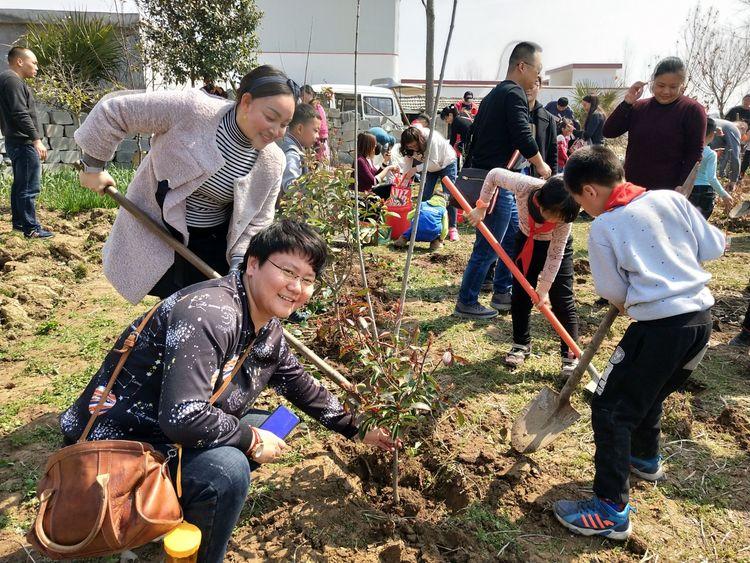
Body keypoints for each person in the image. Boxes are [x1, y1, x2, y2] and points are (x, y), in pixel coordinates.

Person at [59, 220, 398, 563]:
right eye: (288, 272)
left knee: (273, 426)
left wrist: (356, 428)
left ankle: (171, 510)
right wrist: (249, 439)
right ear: (253, 264)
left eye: (308, 280)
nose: (296, 287)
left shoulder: (264, 324)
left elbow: (298, 383)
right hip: (118, 449)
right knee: (229, 468)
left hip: (162, 432)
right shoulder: (210, 314)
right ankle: (186, 541)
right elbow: (183, 417)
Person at [554, 145, 724, 541]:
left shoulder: (605, 226)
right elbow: (715, 246)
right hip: (700, 321)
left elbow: (613, 292)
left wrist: (637, 290)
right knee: (647, 392)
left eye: (579, 200)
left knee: (611, 407)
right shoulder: (668, 198)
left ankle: (609, 510)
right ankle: (644, 458)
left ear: (591, 191)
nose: (582, 209)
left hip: (659, 327)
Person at [76, 65, 297, 304]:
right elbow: (114, 111)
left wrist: (239, 264)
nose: (277, 131)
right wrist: (94, 167)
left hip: (212, 242)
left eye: (285, 124)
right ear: (246, 101)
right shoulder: (192, 111)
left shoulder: (273, 162)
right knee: (170, 302)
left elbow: (258, 221)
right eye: (270, 117)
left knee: (204, 307)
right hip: (159, 226)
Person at [454, 41, 552, 320]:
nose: (538, 77)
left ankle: (501, 292)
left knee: (510, 239)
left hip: (497, 179)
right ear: (522, 66)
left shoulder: (494, 95)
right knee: (489, 243)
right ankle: (467, 300)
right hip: (496, 182)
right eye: (538, 70)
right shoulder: (514, 94)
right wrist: (542, 166)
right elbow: (523, 136)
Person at [468, 170, 580, 375]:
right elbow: (493, 175)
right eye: (554, 216)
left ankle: (570, 354)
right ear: (542, 202)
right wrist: (481, 206)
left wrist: (544, 290)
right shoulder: (524, 185)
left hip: (555, 249)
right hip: (526, 241)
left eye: (561, 219)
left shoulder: (565, 219)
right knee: (520, 295)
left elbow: (555, 257)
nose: (556, 222)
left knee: (562, 299)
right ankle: (521, 344)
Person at [603, 56, 706, 190]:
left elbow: (694, 152)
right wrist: (627, 103)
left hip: (667, 191)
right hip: (632, 188)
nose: (666, 91)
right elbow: (609, 132)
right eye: (661, 85)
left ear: (682, 85)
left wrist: (682, 186)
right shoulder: (639, 107)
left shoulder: (692, 110)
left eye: (673, 87)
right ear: (652, 82)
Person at [0, 46, 51, 239]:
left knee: (21, 185)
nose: (37, 67)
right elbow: (20, 113)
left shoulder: (8, 80)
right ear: (20, 61)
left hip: (16, 141)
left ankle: (20, 224)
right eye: (34, 62)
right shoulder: (12, 81)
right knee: (29, 186)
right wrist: (36, 140)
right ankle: (31, 229)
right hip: (23, 142)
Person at [399, 125, 459, 240]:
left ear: (420, 140)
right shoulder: (409, 147)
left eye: (415, 145)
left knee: (449, 195)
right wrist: (404, 182)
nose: (413, 148)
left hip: (445, 162)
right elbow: (407, 166)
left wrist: (415, 169)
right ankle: (421, 224)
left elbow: (436, 163)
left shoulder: (431, 138)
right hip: (429, 167)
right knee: (425, 194)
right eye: (409, 146)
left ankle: (452, 228)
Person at [690, 118, 733, 219]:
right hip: (705, 192)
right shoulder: (710, 154)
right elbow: (711, 178)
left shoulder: (687, 150)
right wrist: (724, 194)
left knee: (689, 223)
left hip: (688, 189)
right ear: (712, 134)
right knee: (701, 224)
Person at [279, 103, 321, 193]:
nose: (318, 136)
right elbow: (290, 187)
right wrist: (317, 184)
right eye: (315, 130)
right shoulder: (292, 153)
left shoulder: (288, 145)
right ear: (300, 129)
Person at [354, 132, 399, 198]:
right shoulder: (360, 161)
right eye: (374, 145)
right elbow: (374, 181)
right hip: (361, 195)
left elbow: (375, 174)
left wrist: (385, 161)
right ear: (368, 146)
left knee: (392, 186)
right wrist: (388, 168)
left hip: (368, 192)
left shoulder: (367, 159)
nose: (376, 147)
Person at [710, 118, 743, 192]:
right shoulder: (733, 129)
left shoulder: (719, 123)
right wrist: (733, 180)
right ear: (742, 128)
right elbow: (735, 156)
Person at [301, 85, 329, 162]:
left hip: (318, 140)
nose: (302, 97)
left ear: (310, 94)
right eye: (301, 96)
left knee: (314, 163)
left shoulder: (316, 107)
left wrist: (318, 140)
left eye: (303, 95)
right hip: (314, 139)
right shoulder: (309, 106)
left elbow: (321, 126)